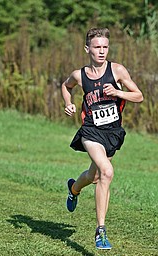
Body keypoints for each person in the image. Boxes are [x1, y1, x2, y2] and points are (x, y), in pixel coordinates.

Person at [61, 27, 143, 250]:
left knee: (94, 176)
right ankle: (101, 231)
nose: (101, 51)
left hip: (112, 133)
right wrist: (68, 103)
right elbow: (65, 86)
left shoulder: (117, 70)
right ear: (87, 49)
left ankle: (74, 188)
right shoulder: (80, 75)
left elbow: (139, 95)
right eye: (97, 47)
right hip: (90, 131)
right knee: (107, 172)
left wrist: (118, 93)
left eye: (105, 47)